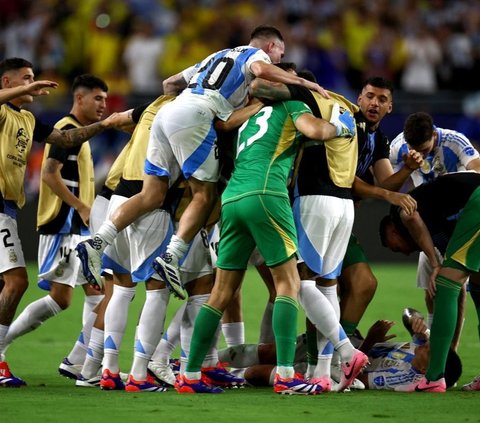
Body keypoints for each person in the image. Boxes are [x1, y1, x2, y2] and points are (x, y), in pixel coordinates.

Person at [76, 25, 329, 299]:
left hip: (169, 113)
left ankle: (97, 242)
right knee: (204, 194)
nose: (279, 59)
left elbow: (169, 84)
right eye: (280, 53)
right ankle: (172, 257)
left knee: (152, 193)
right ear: (270, 47)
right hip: (196, 116)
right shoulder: (257, 55)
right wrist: (304, 83)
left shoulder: (214, 57)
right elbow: (260, 73)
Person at [174, 86, 364, 393]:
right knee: (288, 284)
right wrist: (340, 126)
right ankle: (287, 374)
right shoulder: (291, 106)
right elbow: (316, 130)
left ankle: (190, 374)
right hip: (267, 195)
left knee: (220, 292)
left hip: (232, 199)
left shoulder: (249, 118)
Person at [0, 58, 120, 387]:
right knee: (24, 285)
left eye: (34, 78)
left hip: (13, 207)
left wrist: (108, 125)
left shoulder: (31, 120)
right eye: (25, 79)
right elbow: (51, 175)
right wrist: (81, 207)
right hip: (59, 223)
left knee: (82, 294)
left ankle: (80, 361)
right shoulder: (4, 112)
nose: (33, 83)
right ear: (8, 83)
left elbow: (65, 141)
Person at [379, 172, 480, 392]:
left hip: (477, 201)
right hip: (473, 206)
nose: (403, 253)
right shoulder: (442, 231)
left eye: (395, 246)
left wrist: (435, 265)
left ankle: (434, 377)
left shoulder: (398, 213)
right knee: (477, 286)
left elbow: (410, 217)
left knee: (445, 282)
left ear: (392, 230)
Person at [390, 111, 480, 348]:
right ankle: (434, 347)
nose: (420, 154)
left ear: (433, 134)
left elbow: (478, 171)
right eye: (415, 149)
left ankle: (450, 352)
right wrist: (408, 168)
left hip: (462, 223)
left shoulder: (455, 141)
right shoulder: (398, 146)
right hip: (427, 226)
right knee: (433, 288)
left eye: (425, 149)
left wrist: (448, 183)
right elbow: (388, 184)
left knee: (453, 286)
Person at [218, 308, 462, 391]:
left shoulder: (403, 378)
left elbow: (357, 377)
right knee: (272, 350)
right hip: (346, 344)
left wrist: (369, 342)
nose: (427, 345)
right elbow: (408, 312)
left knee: (261, 373)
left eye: (431, 351)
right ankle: (206, 363)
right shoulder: (422, 347)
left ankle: (228, 378)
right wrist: (417, 321)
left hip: (338, 368)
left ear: (430, 368)